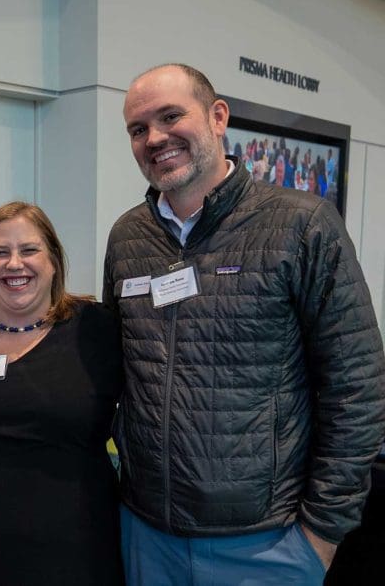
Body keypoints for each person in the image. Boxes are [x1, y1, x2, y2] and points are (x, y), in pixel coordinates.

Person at [104, 63, 385, 585]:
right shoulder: (127, 237)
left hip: (266, 544)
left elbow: (358, 387)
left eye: (170, 117)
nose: (155, 139)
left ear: (217, 117)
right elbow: (117, 369)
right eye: (138, 129)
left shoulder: (303, 226)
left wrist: (321, 533)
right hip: (147, 535)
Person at [0, 202, 124, 585]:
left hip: (76, 545)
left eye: (29, 250)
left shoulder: (97, 328)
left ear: (54, 260)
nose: (14, 263)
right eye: (0, 252)